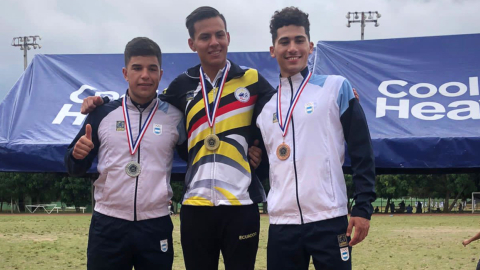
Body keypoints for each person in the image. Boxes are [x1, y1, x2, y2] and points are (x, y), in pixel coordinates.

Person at [80, 7, 273, 270]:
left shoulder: (250, 79)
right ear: (192, 44)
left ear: (228, 36)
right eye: (205, 37)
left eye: (219, 35)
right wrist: (100, 102)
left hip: (241, 204)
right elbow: (143, 104)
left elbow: (283, 108)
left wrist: (257, 151)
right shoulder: (182, 85)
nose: (214, 42)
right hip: (195, 205)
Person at [255, 7, 376, 270]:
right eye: (284, 41)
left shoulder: (336, 87)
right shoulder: (264, 108)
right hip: (281, 224)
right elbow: (267, 166)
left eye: (299, 40)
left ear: (310, 46)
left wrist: (363, 206)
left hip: (330, 219)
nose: (292, 48)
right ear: (273, 50)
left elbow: (362, 151)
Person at [65, 37, 186, 270]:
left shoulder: (174, 117)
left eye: (152, 69)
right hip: (108, 223)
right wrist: (76, 155)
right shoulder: (101, 113)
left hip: (155, 223)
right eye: (137, 68)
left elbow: (195, 157)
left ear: (160, 74)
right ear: (125, 73)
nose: (145, 75)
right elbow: (74, 166)